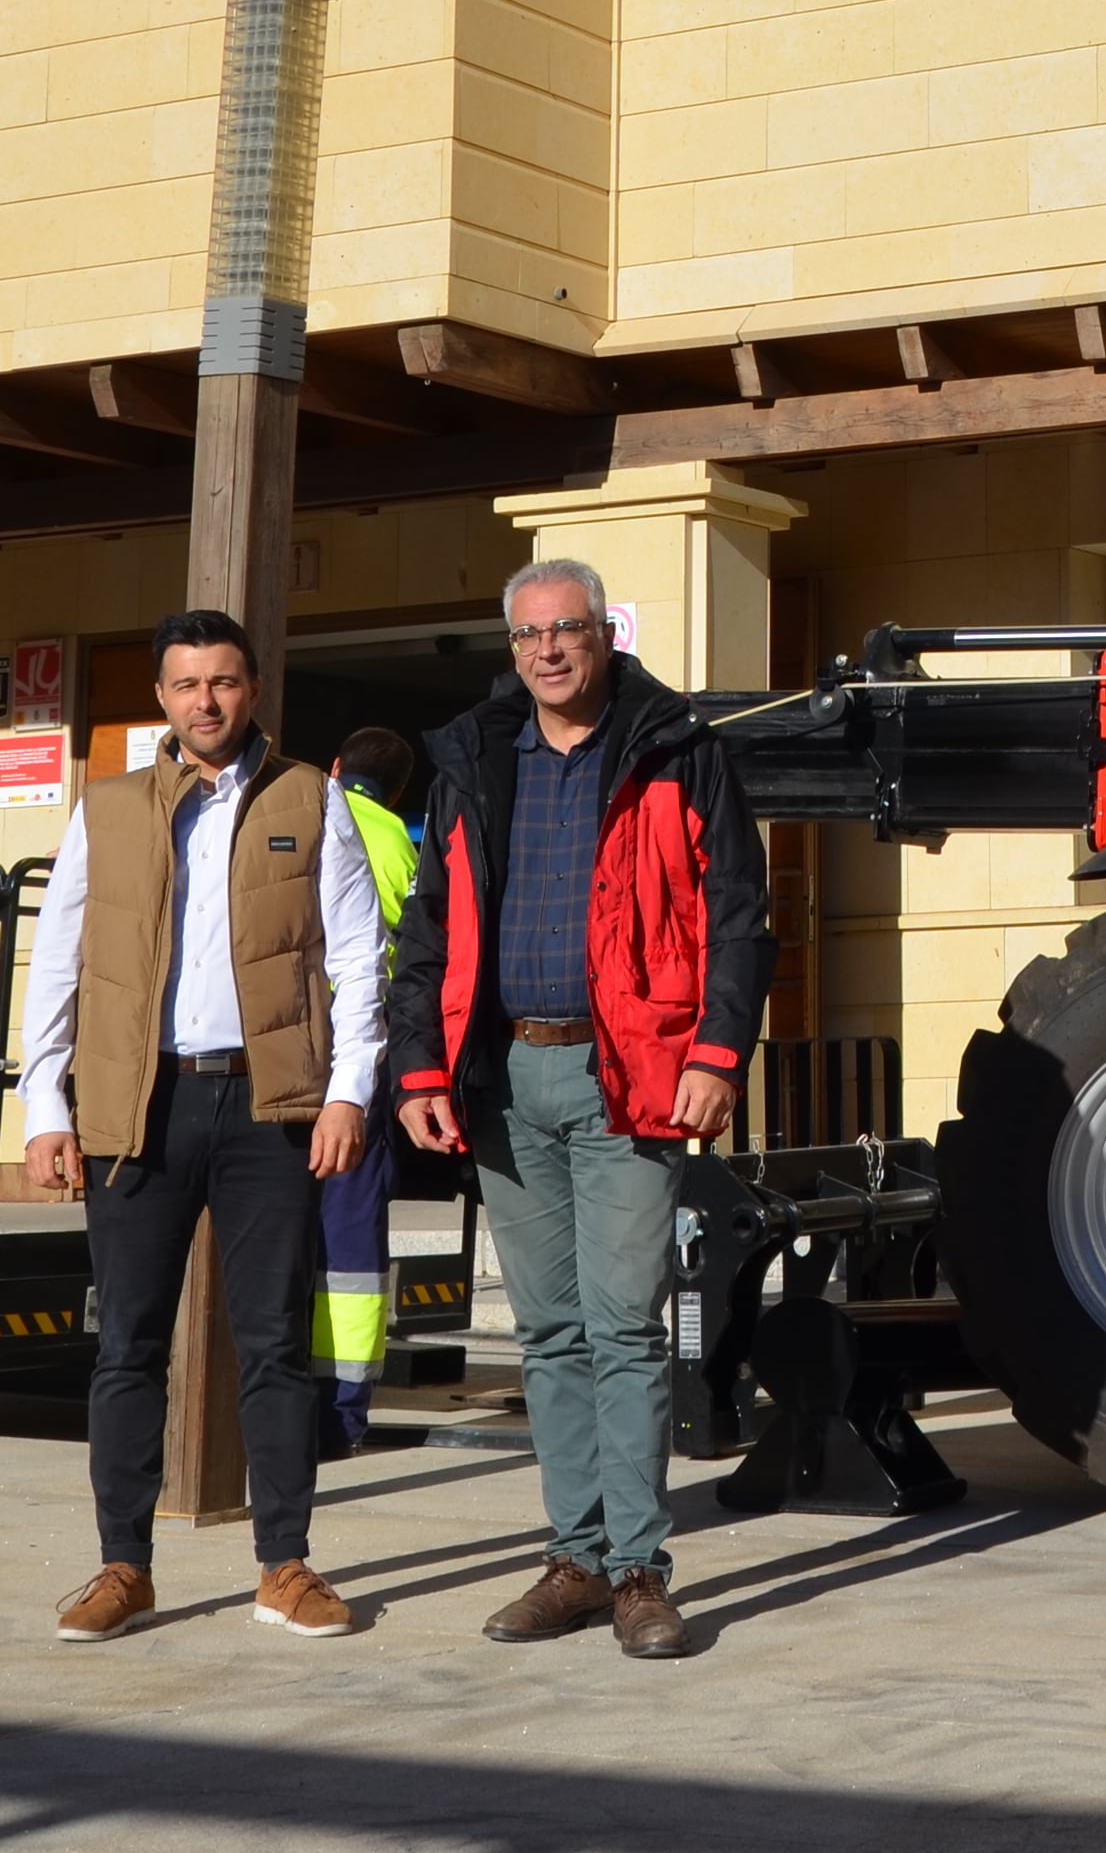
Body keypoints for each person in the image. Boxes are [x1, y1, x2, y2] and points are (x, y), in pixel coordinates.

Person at [390, 560, 769, 1660]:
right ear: (510, 648)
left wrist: (716, 1050)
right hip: (503, 1079)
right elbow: (428, 929)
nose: (548, 650)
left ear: (605, 636)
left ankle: (641, 1571)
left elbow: (735, 914)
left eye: (568, 630)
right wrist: (420, 1072)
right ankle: (576, 1559)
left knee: (622, 1326)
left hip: (632, 1077)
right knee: (547, 1332)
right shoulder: (471, 760)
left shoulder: (676, 748)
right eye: (527, 635)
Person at [18, 610, 385, 1642]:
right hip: (138, 1108)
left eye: (223, 682)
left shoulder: (312, 800)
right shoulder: (109, 809)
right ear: (163, 699)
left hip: (268, 1106)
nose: (206, 702)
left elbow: (357, 958)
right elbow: (60, 961)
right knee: (127, 1344)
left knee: (272, 1343)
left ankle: (285, 1566)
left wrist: (348, 1092)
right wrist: (47, 1105)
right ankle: (120, 1569)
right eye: (187, 685)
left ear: (253, 689)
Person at [313, 724, 427, 1455]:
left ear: (333, 766)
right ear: (398, 792)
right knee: (350, 1234)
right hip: (362, 1063)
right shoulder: (399, 844)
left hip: (282, 1052)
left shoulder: (297, 815)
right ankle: (342, 1410)